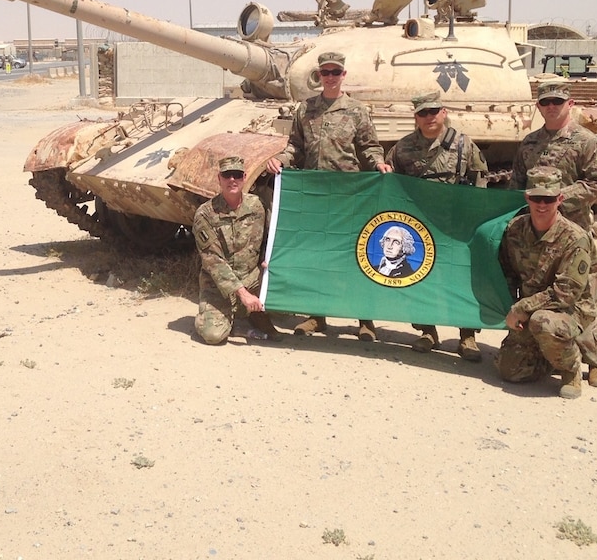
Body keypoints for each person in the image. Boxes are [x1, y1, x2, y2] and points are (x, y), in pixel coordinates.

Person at [265, 51, 392, 340]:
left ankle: (364, 319)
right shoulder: (306, 109)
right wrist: (281, 160)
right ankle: (316, 315)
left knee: (357, 254)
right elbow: (295, 145)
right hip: (316, 193)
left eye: (336, 72)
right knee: (317, 255)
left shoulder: (357, 110)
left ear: (343, 75)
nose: (331, 77)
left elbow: (369, 146)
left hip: (349, 193)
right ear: (319, 76)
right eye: (326, 72)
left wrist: (379, 163)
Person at [511, 78, 597, 388]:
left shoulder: (586, 141)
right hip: (536, 233)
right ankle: (552, 352)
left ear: (569, 104)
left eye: (557, 102)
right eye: (545, 102)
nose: (551, 107)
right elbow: (517, 185)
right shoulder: (528, 144)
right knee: (540, 290)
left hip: (574, 232)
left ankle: (596, 361)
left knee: (583, 296)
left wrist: (559, 196)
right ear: (539, 107)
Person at [385, 90, 489, 361]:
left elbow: (480, 179)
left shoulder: (464, 145)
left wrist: (475, 217)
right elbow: (390, 182)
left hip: (456, 224)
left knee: (461, 279)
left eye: (434, 111)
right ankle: (427, 330)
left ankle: (467, 336)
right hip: (420, 226)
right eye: (423, 113)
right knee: (421, 277)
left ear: (443, 112)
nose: (429, 117)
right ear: (416, 117)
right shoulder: (403, 148)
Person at [497, 166, 596, 399]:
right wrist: (509, 304)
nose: (542, 205)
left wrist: (521, 308)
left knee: (544, 323)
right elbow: (508, 272)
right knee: (509, 371)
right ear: (527, 197)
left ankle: (570, 367)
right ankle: (549, 357)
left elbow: (566, 294)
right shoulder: (515, 230)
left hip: (569, 310)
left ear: (560, 198)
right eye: (536, 198)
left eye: (549, 199)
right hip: (532, 308)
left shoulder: (575, 238)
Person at [193, 156, 279, 344]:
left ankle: (249, 314)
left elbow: (269, 238)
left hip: (252, 278)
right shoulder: (206, 214)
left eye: (237, 175)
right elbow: (213, 261)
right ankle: (230, 316)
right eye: (227, 175)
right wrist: (243, 294)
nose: (232, 180)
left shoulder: (256, 206)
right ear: (219, 178)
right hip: (219, 286)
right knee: (213, 336)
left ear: (244, 177)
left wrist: (268, 259)